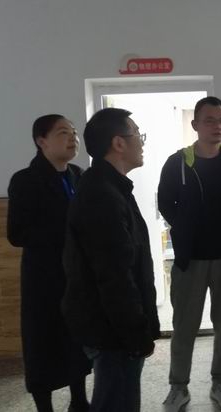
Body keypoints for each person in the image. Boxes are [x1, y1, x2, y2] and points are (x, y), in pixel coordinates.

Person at [62, 108, 160, 412]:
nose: (141, 142)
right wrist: (135, 333)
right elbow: (114, 276)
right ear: (119, 143)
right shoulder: (102, 195)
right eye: (138, 134)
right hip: (112, 331)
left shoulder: (111, 186)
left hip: (114, 327)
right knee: (116, 403)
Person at [158, 96, 221, 412]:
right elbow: (165, 203)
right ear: (195, 124)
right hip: (190, 259)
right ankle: (178, 387)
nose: (217, 126)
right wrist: (186, 230)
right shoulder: (177, 162)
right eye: (210, 120)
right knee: (184, 326)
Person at [7, 114, 91, 412]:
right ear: (41, 141)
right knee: (42, 342)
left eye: (74, 133)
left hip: (75, 274)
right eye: (63, 132)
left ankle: (79, 401)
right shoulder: (25, 180)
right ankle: (44, 407)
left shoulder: (79, 175)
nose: (73, 138)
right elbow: (17, 234)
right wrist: (66, 230)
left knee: (76, 339)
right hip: (43, 278)